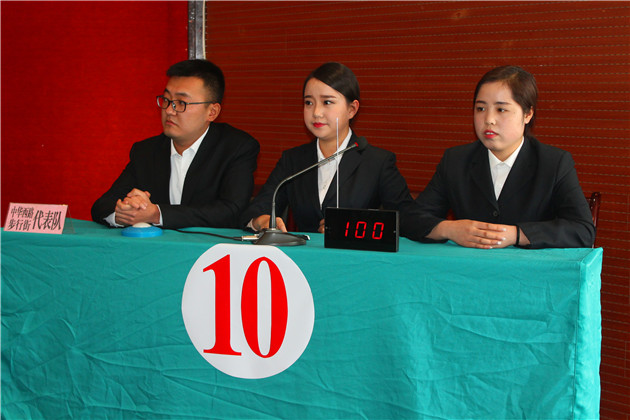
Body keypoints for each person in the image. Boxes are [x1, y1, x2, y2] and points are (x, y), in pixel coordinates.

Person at [402, 65, 595, 249]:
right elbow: (411, 219)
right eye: (481, 109)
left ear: (527, 114)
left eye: (501, 109)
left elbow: (583, 230)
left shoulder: (554, 163)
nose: (488, 120)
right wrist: (450, 229)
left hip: (528, 269)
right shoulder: (456, 160)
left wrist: (516, 234)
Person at [241, 62, 414, 233]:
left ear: (352, 109)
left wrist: (353, 226)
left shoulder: (377, 162)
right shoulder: (293, 160)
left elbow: (408, 220)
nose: (316, 112)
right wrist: (261, 220)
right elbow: (256, 210)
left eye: (327, 102)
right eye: (309, 102)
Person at [91, 59, 260, 229]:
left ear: (212, 112)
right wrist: (124, 213)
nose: (169, 110)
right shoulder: (146, 151)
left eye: (181, 103)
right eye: (166, 100)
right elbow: (103, 205)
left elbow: (231, 211)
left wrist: (157, 214)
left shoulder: (237, 148)